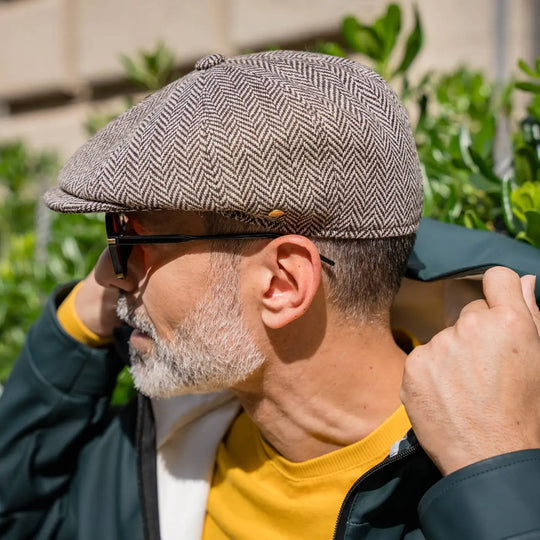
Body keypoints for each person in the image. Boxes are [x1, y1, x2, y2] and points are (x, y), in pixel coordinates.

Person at [0, 51, 539, 540]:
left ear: (283, 283)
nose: (107, 276)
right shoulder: (161, 452)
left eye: (134, 240)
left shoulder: (489, 477)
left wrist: (494, 481)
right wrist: (72, 330)